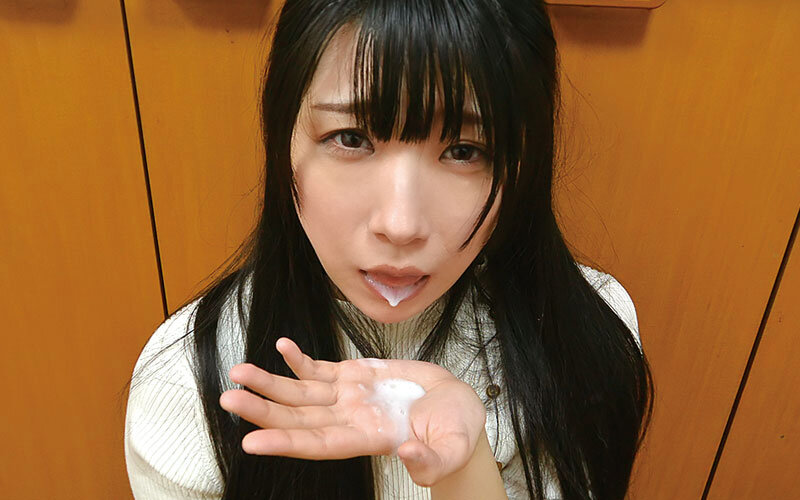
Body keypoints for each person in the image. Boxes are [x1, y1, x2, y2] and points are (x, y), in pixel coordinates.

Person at [124, 0, 654, 499]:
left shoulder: (584, 334)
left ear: (522, 162)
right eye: (351, 138)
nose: (400, 226)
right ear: (282, 136)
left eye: (464, 150)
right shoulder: (188, 383)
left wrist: (466, 466)